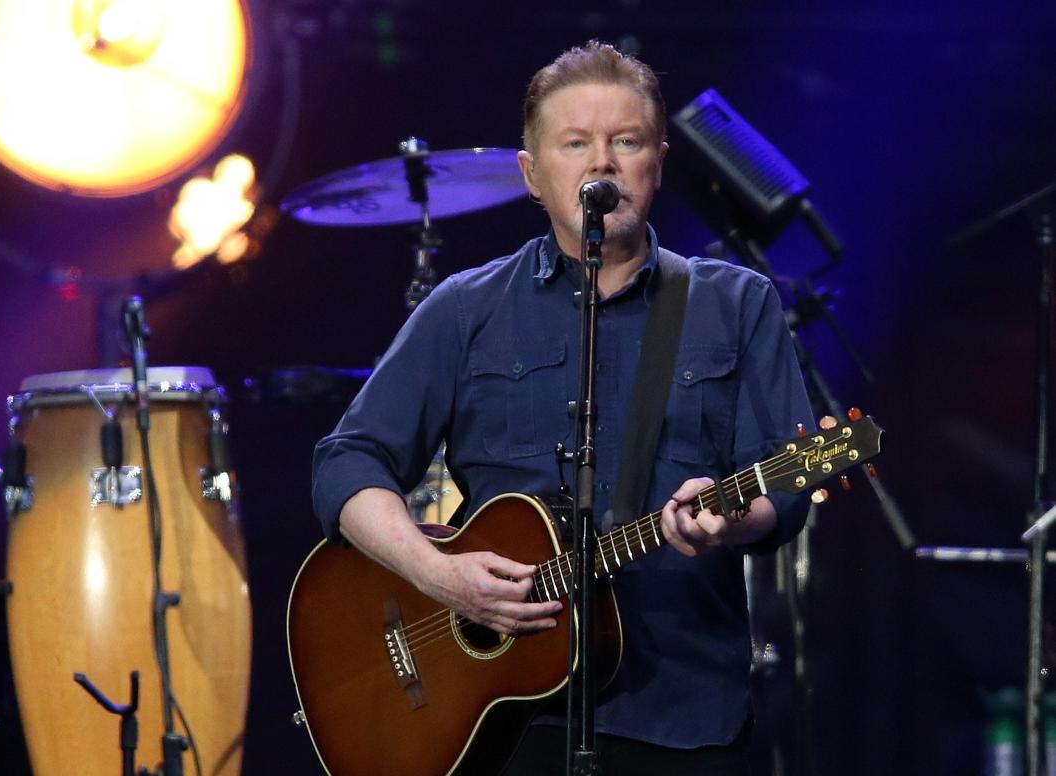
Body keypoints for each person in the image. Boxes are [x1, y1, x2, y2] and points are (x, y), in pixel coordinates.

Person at [311, 40, 814, 775]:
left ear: (657, 161)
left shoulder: (735, 304)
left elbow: (787, 485)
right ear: (533, 175)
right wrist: (435, 573)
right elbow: (345, 464)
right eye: (575, 143)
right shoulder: (466, 309)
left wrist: (732, 513)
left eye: (626, 141)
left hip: (681, 712)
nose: (601, 163)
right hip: (503, 720)